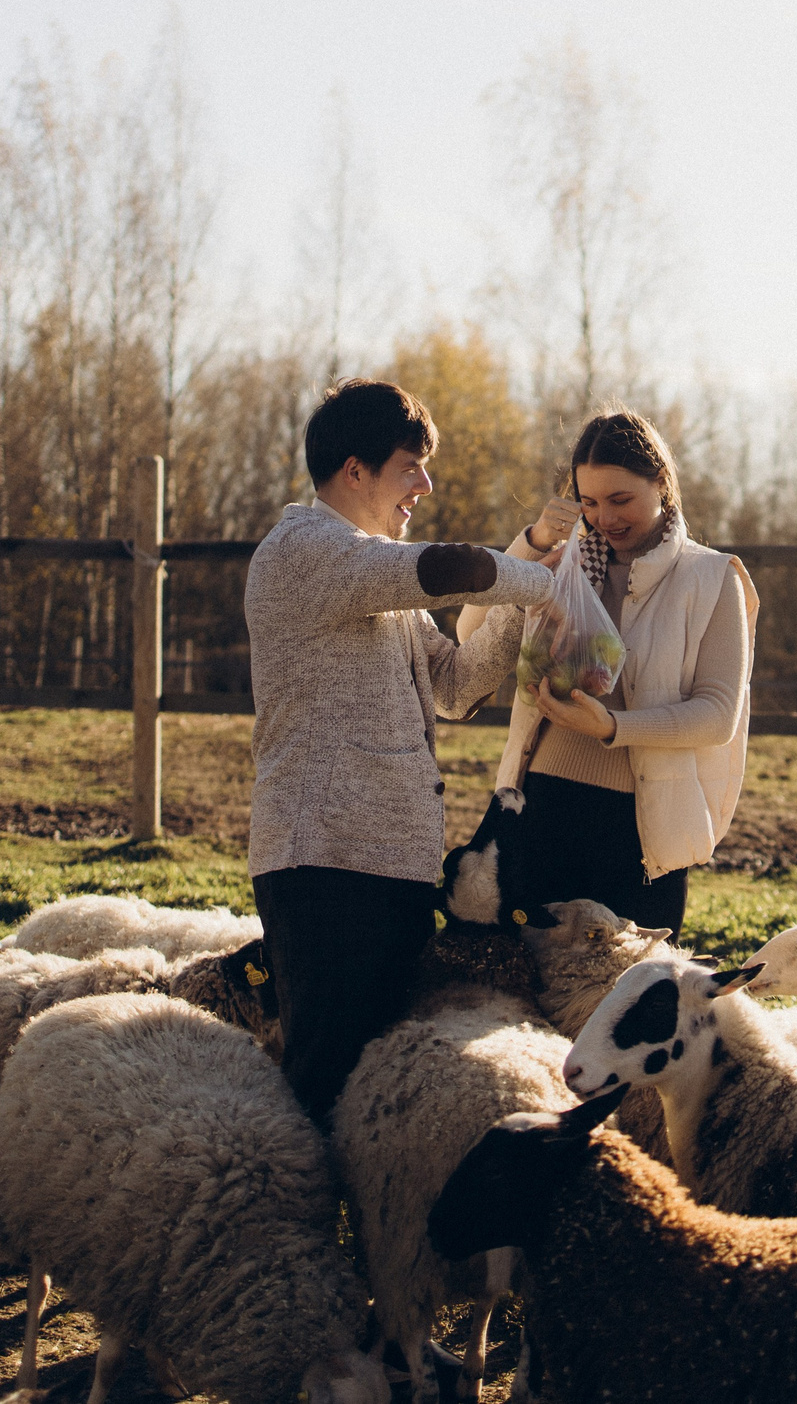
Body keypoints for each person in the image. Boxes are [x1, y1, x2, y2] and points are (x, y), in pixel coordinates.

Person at [244, 378, 553, 1122]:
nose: (426, 484)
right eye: (410, 466)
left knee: (376, 1095)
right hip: (326, 866)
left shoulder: (372, 577)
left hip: (391, 869)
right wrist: (541, 582)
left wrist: (525, 613)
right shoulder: (305, 552)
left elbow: (456, 687)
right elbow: (452, 569)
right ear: (355, 471)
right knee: (323, 1085)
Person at [455, 409, 757, 934]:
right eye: (589, 502)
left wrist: (613, 727)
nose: (605, 518)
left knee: (627, 977)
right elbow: (470, 632)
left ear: (660, 483)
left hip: (639, 827)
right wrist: (532, 544)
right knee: (525, 975)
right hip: (540, 804)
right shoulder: (561, 565)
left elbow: (717, 715)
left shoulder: (710, 577)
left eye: (620, 500)